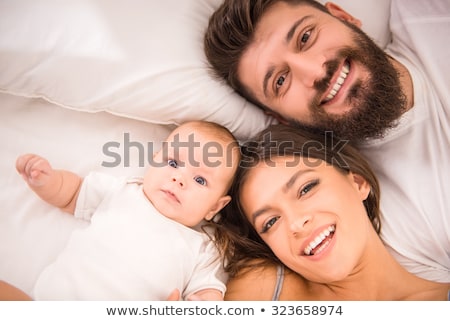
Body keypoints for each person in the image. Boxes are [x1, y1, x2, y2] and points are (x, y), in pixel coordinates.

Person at [204, 0, 450, 282]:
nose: (316, 72)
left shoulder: (433, 13)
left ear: (343, 15)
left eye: (306, 37)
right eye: (281, 81)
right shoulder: (386, 227)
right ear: (280, 117)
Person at [215, 124, 449, 300]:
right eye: (271, 222)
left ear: (357, 182)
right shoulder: (265, 288)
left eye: (306, 189)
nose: (296, 223)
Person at [14, 120, 241, 301]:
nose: (179, 178)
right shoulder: (122, 191)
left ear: (215, 207)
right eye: (173, 163)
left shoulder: (203, 248)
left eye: (200, 180)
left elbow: (208, 293)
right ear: (154, 160)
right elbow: (72, 194)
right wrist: (48, 181)